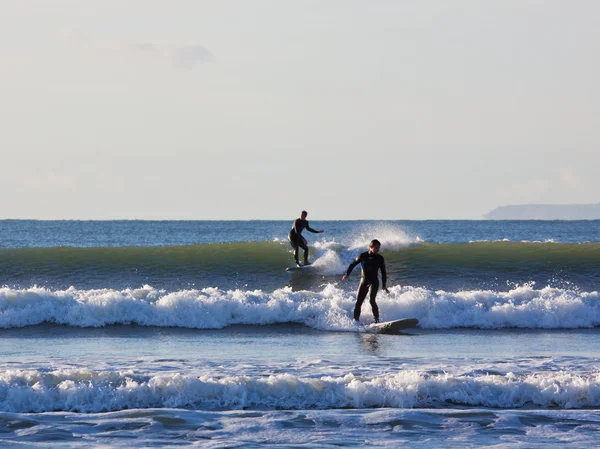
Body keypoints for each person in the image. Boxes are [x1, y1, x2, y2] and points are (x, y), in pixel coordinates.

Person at [342, 239, 389, 324]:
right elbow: (352, 264)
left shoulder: (380, 258)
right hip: (364, 281)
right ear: (371, 247)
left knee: (372, 300)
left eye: (379, 248)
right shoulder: (362, 256)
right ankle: (355, 321)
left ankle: (377, 321)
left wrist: (384, 285)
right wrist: (347, 274)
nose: (377, 250)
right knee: (358, 302)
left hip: (374, 281)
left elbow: (383, 273)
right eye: (376, 248)